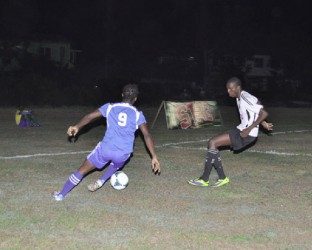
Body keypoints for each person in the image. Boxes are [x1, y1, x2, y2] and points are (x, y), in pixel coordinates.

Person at [53, 84, 161, 201]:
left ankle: (60, 195)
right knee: (118, 163)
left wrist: (77, 126)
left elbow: (90, 116)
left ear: (122, 95)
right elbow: (146, 135)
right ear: (135, 98)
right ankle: (102, 180)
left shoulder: (110, 107)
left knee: (82, 171)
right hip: (123, 153)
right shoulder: (137, 114)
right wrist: (154, 157)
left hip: (105, 149)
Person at [188, 77, 273, 188]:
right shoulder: (239, 97)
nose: (228, 91)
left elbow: (264, 113)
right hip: (241, 129)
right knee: (213, 143)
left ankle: (205, 179)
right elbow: (255, 109)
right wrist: (263, 123)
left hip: (247, 133)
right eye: (227, 89)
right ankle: (221, 178)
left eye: (230, 89)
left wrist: (250, 128)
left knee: (213, 143)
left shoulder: (245, 97)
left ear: (237, 88)